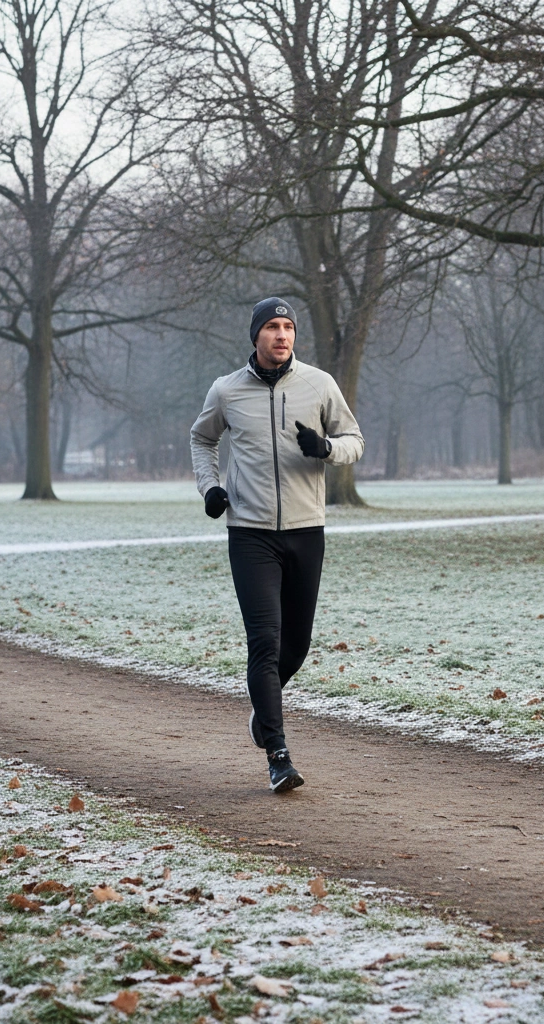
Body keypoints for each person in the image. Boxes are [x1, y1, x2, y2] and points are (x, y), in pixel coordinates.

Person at [190, 298, 365, 792]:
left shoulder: (320, 384)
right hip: (250, 532)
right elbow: (201, 439)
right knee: (264, 641)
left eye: (288, 327)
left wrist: (327, 449)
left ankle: (261, 716)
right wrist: (211, 488)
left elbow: (354, 438)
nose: (281, 335)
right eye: (271, 327)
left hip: (307, 530)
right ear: (256, 336)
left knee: (297, 644)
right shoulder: (227, 390)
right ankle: (278, 754)